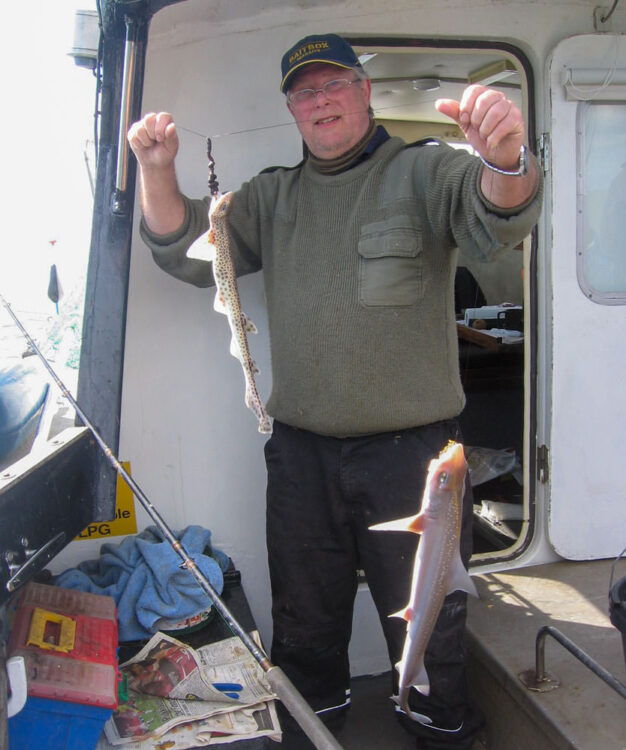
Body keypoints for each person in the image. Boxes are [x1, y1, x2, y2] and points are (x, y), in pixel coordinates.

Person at [128, 33, 542, 750]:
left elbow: (499, 211)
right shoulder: (271, 197)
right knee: (305, 621)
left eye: (333, 84)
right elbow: (187, 249)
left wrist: (506, 158)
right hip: (302, 459)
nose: (319, 100)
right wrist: (156, 170)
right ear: (291, 109)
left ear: (364, 89)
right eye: (303, 91)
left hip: (414, 463)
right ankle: (314, 731)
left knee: (430, 623)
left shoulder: (425, 172)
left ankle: (443, 733)